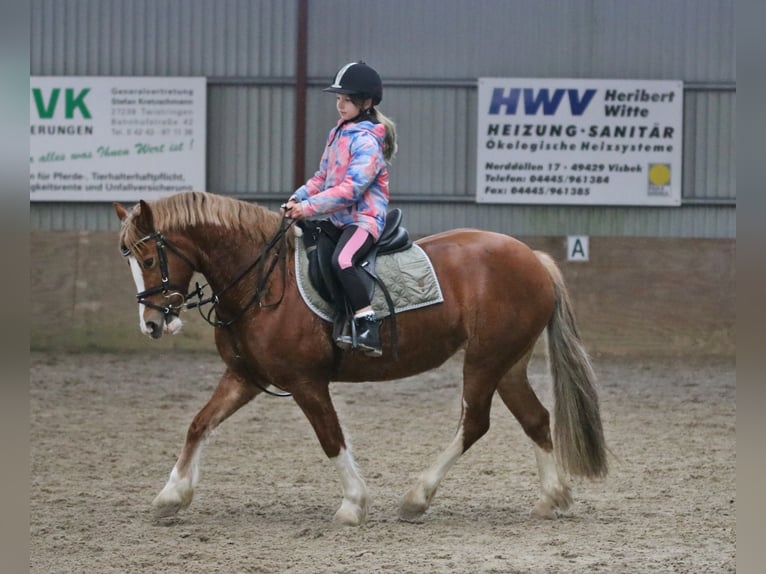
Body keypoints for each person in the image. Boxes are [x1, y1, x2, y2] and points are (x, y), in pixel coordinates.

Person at [282, 61, 398, 357]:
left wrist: (307, 208)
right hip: (338, 219)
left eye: (347, 100)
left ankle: (367, 322)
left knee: (344, 260)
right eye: (338, 99)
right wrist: (296, 198)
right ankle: (336, 316)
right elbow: (322, 178)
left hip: (363, 220)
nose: (340, 105)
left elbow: (351, 190)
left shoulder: (368, 143)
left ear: (367, 103)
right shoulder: (338, 134)